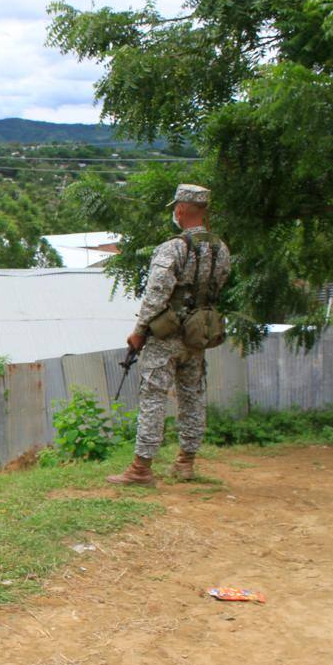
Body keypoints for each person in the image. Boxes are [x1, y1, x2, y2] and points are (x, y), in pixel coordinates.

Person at [107, 183, 231, 487]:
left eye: (176, 208)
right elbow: (218, 287)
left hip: (167, 335)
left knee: (153, 396)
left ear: (181, 209)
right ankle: (185, 463)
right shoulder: (221, 249)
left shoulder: (173, 247)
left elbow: (156, 293)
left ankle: (141, 469)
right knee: (192, 395)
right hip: (198, 335)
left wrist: (139, 332)